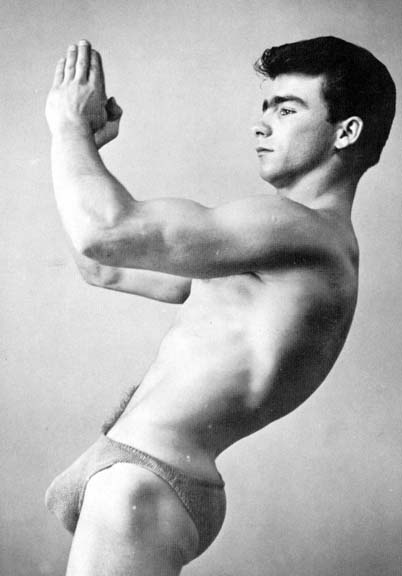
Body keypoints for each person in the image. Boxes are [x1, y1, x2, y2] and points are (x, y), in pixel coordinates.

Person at [45, 36, 395, 575]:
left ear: (345, 132)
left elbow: (105, 233)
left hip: (148, 480)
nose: (261, 125)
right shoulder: (277, 256)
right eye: (265, 107)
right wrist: (83, 150)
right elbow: (102, 266)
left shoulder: (304, 231)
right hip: (146, 472)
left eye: (287, 109)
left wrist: (67, 125)